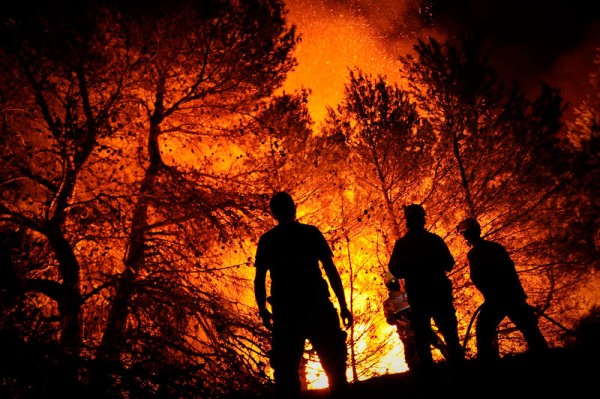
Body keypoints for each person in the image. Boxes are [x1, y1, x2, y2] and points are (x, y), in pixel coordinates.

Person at [254, 192, 353, 399]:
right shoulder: (310, 234)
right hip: (317, 307)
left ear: (273, 213)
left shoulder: (268, 241)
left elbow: (260, 279)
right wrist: (343, 305)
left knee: (286, 373)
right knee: (335, 366)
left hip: (286, 312)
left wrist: (263, 310)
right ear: (294, 208)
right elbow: (330, 270)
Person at [456, 217, 549, 362]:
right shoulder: (496, 248)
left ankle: (487, 365)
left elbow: (477, 278)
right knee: (530, 329)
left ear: (467, 235)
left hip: (497, 300)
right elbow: (511, 272)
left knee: (483, 329)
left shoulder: (474, 254)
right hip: (513, 296)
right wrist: (519, 295)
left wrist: (491, 297)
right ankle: (545, 357)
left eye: (464, 235)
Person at [387, 204, 464, 370]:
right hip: (439, 294)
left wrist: (411, 270)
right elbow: (449, 264)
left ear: (407, 222)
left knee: (422, 339)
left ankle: (428, 380)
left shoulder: (402, 245)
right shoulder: (435, 240)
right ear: (423, 220)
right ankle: (460, 372)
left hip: (419, 297)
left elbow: (395, 270)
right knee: (450, 335)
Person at [382, 274, 448, 371]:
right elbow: (390, 320)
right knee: (435, 346)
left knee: (418, 354)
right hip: (414, 330)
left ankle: (420, 372)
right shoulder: (403, 297)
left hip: (410, 331)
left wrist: (397, 318)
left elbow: (390, 320)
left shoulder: (399, 298)